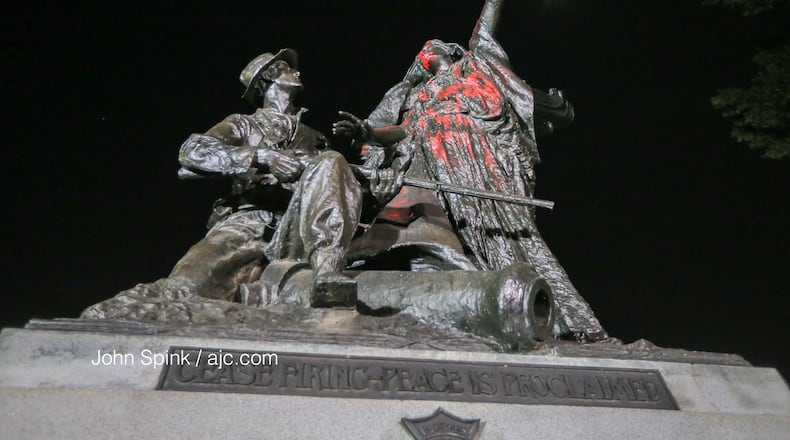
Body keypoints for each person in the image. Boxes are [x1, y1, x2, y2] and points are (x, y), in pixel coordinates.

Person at [334, 0, 606, 341]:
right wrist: (369, 132)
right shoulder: (420, 95)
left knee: (504, 233)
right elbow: (405, 131)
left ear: (450, 51)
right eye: (421, 52)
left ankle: (564, 322)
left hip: (480, 160)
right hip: (437, 163)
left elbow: (484, 26)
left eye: (431, 46)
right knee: (439, 224)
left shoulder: (475, 65)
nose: (424, 52)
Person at [158, 49, 363, 305]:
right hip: (249, 222)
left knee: (332, 160)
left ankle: (327, 271)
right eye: (288, 69)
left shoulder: (316, 138)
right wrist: (263, 157)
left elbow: (337, 197)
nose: (297, 72)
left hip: (299, 227)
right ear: (268, 77)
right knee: (186, 285)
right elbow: (192, 151)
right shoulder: (243, 124)